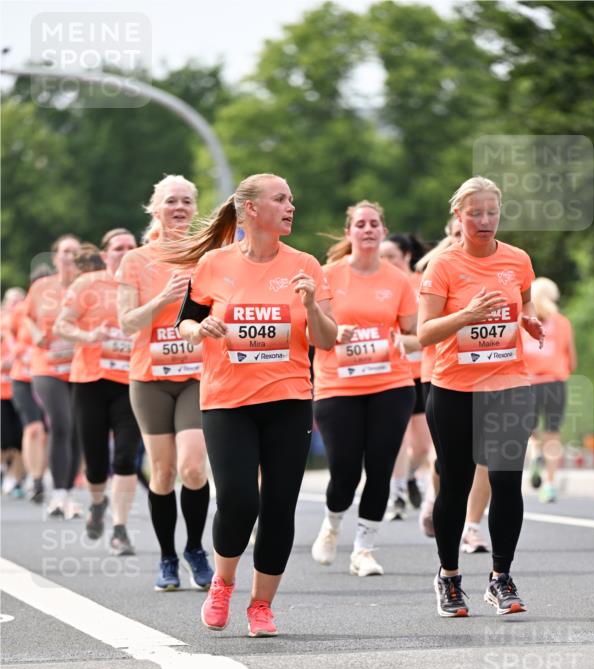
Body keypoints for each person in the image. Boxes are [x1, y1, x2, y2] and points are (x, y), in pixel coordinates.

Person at [171, 172, 337, 637]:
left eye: (291, 199)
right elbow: (185, 321)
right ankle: (222, 584)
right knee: (240, 501)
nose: (291, 206)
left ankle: (261, 605)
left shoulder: (305, 265)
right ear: (250, 210)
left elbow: (326, 340)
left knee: (280, 506)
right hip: (227, 402)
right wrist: (199, 331)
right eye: (280, 198)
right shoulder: (213, 264)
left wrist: (313, 305)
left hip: (288, 400)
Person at [418, 176, 543, 617]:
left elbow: (523, 303)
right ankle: (449, 577)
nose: (484, 220)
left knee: (507, 480)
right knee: (456, 482)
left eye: (491, 212)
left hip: (509, 385)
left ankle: (500, 577)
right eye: (475, 213)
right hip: (455, 389)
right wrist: (465, 316)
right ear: (459, 216)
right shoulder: (444, 267)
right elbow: (425, 332)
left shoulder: (518, 260)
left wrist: (527, 321)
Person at [310, 201, 417, 577]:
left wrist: (406, 341)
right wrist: (334, 332)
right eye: (361, 224)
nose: (368, 229)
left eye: (374, 223)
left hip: (391, 383)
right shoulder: (327, 276)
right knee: (344, 471)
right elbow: (314, 333)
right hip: (337, 385)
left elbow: (416, 334)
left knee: (380, 467)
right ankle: (332, 524)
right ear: (349, 233)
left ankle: (363, 550)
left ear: (383, 231)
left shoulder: (398, 280)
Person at [117, 175, 214, 591]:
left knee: (193, 467)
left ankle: (195, 547)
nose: (179, 207)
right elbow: (127, 323)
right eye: (171, 201)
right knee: (162, 470)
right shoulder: (136, 261)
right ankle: (167, 557)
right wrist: (162, 300)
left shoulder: (209, 256)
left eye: (186, 201)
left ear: (194, 210)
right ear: (155, 209)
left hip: (196, 374)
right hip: (150, 378)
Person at [55, 232, 141, 554]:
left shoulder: (146, 284)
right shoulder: (87, 284)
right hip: (90, 381)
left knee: (125, 456)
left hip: (131, 382)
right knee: (94, 463)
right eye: (118, 248)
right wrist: (89, 335)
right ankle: (96, 503)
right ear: (105, 255)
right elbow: (62, 325)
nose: (125, 252)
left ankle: (119, 528)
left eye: (132, 248)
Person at [416, 222, 492, 553]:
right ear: (451, 231)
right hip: (440, 374)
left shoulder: (498, 265)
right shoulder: (437, 268)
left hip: (488, 377)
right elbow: (423, 330)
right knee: (450, 464)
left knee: (487, 455)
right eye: (459, 231)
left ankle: (472, 527)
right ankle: (437, 497)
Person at [26, 234, 82, 517]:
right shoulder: (41, 287)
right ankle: (57, 494)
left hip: (80, 366)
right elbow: (25, 315)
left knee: (77, 429)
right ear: (55, 257)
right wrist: (35, 332)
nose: (69, 257)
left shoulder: (88, 285)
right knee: (61, 424)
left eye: (74, 252)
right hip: (47, 366)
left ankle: (68, 493)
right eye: (64, 252)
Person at [379, 233, 431, 519]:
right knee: (397, 437)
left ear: (408, 256)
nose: (386, 262)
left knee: (423, 444)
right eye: (382, 257)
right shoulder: (378, 283)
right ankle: (396, 495)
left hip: (422, 372)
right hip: (392, 372)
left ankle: (410, 476)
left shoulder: (423, 282)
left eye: (392, 257)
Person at [523, 277, 577, 503]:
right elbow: (572, 361)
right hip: (555, 383)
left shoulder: (524, 322)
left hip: (528, 383)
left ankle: (535, 456)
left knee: (530, 432)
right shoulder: (563, 323)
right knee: (552, 435)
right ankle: (550, 485)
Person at [8, 284, 48, 503]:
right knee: (33, 429)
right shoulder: (19, 312)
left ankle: (38, 472)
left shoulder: (56, 310)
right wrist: (17, 351)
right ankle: (36, 480)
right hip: (23, 378)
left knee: (47, 433)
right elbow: (9, 337)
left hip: (49, 379)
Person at [0, 290, 25, 496]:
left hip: (22, 388)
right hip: (1, 391)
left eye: (20, 301)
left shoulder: (27, 327)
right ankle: (3, 469)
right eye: (13, 302)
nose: (17, 305)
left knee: (19, 440)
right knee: (4, 438)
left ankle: (15, 480)